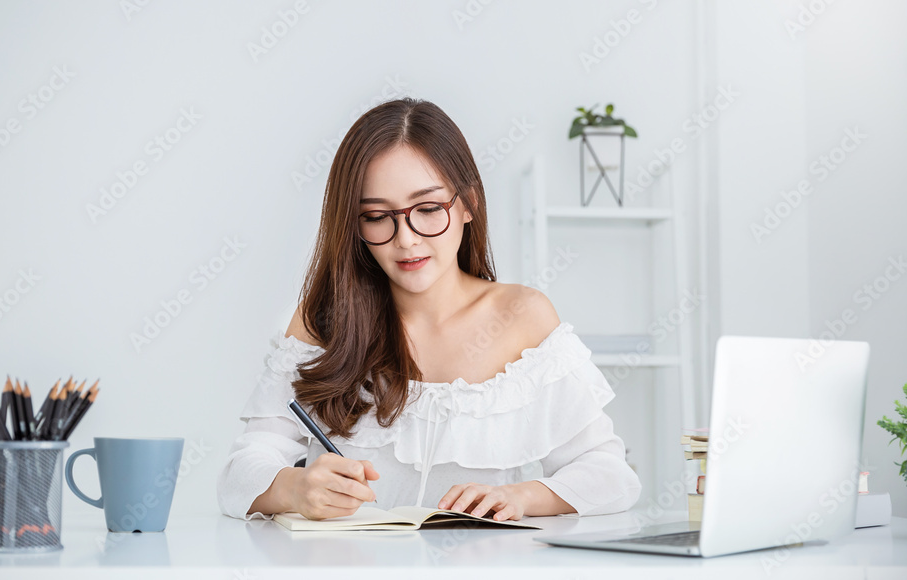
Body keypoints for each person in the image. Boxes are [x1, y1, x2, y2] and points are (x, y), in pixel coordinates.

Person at [217, 97, 641, 522]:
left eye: (427, 209)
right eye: (377, 216)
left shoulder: (522, 316)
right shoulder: (324, 321)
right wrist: (294, 487)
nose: (406, 239)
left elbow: (610, 475)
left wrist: (523, 497)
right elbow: (240, 475)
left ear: (468, 205)